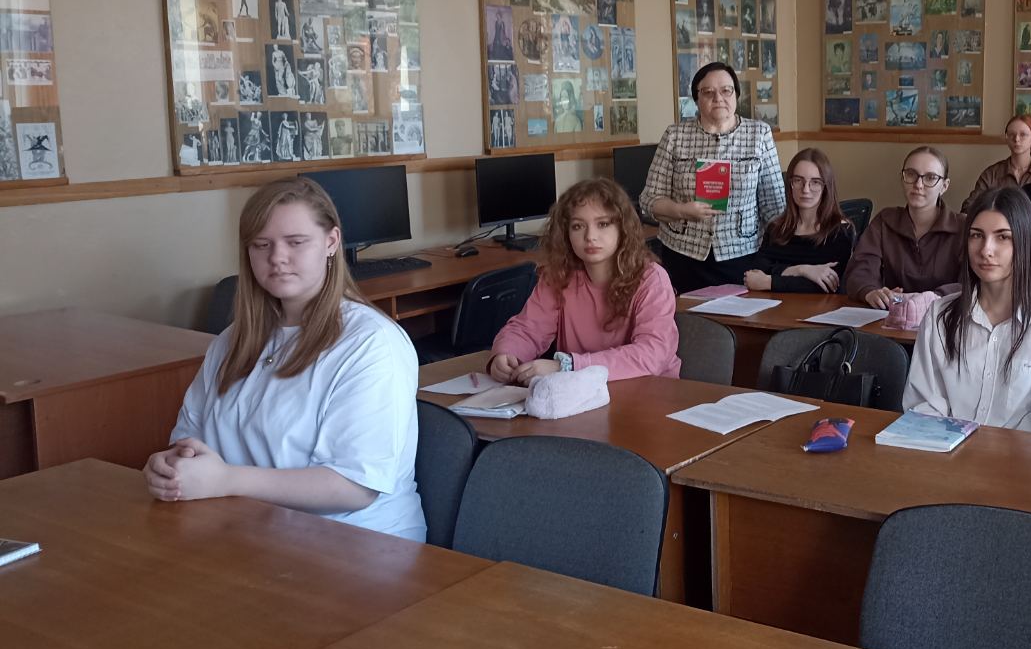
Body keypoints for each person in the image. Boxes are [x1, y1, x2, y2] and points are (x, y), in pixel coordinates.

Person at [144, 178, 424, 540]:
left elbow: (355, 487)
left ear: (331, 242)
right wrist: (171, 468)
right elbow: (188, 438)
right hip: (246, 531)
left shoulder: (371, 344)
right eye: (261, 245)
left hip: (355, 545)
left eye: (296, 242)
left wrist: (227, 480)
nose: (276, 257)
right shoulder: (231, 341)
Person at [904, 186, 1031, 438]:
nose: (986, 250)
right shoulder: (940, 315)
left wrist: (991, 455)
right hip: (944, 456)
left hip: (1024, 460)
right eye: (976, 235)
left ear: (1025, 242)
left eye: (1003, 237)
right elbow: (923, 407)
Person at [489, 178, 679, 382]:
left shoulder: (652, 280)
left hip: (649, 390)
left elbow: (652, 354)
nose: (590, 236)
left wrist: (568, 366)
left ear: (623, 229)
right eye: (578, 226)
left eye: (603, 224)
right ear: (566, 233)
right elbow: (528, 328)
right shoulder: (559, 276)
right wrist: (506, 353)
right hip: (580, 392)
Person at [640, 61, 785, 291]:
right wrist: (681, 211)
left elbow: (775, 206)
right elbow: (649, 201)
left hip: (743, 256)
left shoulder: (759, 134)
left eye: (726, 90)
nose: (718, 98)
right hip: (683, 254)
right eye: (708, 92)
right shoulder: (675, 136)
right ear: (696, 99)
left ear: (737, 95)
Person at [844, 145, 964, 309]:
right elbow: (859, 269)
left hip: (945, 315)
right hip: (892, 314)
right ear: (903, 178)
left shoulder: (963, 226)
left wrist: (928, 298)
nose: (918, 184)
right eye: (911, 174)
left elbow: (975, 283)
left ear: (944, 186)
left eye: (930, 178)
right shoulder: (885, 221)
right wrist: (870, 292)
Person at [744, 149, 856, 293]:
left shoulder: (840, 231)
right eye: (798, 180)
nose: (806, 190)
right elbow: (755, 273)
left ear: (826, 187)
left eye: (815, 182)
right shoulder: (776, 228)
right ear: (790, 184)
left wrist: (769, 281)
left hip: (820, 306)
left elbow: (828, 285)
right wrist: (802, 270)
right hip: (774, 305)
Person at [961, 115, 1031, 213]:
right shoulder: (992, 173)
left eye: (1023, 134)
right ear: (1006, 138)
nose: (1016, 139)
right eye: (1011, 134)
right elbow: (968, 207)